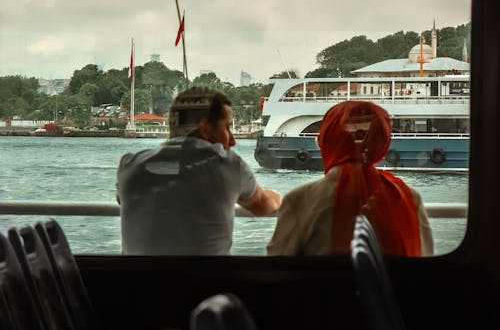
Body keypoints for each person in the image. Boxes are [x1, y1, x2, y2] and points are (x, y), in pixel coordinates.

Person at [116, 87, 282, 255]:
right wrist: (277, 198)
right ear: (205, 128)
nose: (232, 141)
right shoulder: (226, 163)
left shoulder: (130, 166)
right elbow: (262, 206)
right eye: (226, 127)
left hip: (134, 280)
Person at [266, 100, 434, 256]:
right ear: (383, 144)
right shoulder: (410, 198)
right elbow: (426, 263)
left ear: (322, 142)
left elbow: (276, 268)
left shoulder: (299, 200)